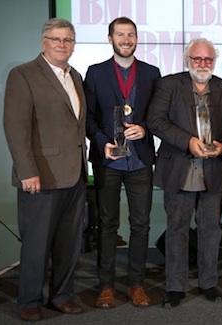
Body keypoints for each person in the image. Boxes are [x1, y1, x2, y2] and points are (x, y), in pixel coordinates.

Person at [3, 18, 88, 321]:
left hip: (74, 175)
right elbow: (16, 128)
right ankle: (29, 300)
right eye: (56, 39)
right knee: (37, 244)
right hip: (40, 176)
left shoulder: (75, 75)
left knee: (69, 243)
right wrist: (27, 172)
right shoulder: (23, 75)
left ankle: (62, 296)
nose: (62, 45)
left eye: (68, 40)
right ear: (44, 42)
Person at [147, 38, 222, 308]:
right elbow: (155, 120)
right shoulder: (169, 84)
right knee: (177, 230)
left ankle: (208, 282)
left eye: (208, 59)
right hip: (179, 168)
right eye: (197, 59)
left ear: (214, 61)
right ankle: (175, 287)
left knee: (211, 230)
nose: (202, 64)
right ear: (188, 60)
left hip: (213, 169)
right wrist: (188, 141)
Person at [84, 17, 161, 309]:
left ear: (137, 38)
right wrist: (103, 142)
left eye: (131, 35)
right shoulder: (95, 73)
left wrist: (144, 128)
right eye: (120, 34)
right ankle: (105, 286)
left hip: (140, 160)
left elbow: (157, 114)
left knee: (141, 225)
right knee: (107, 225)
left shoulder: (152, 73)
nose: (126, 39)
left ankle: (136, 285)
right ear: (110, 38)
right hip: (108, 162)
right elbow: (88, 117)